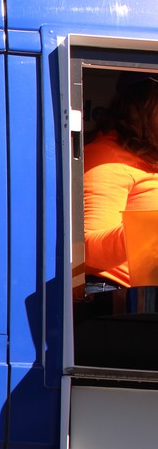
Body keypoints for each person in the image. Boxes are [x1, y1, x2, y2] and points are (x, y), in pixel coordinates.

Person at [83, 71, 158, 289]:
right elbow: (86, 249)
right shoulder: (106, 156)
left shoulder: (149, 157)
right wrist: (149, 228)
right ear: (140, 105)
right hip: (122, 297)